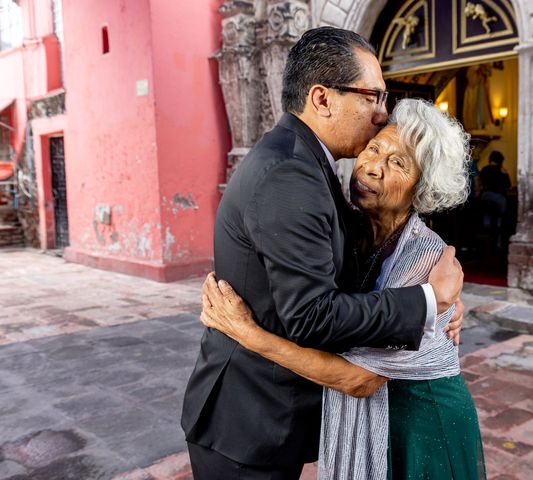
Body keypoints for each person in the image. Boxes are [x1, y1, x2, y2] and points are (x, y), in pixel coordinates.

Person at [181, 27, 464, 480]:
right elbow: (313, 316)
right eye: (372, 97)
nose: (379, 114)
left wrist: (440, 304)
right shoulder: (291, 172)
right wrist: (430, 304)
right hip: (249, 424)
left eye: (397, 161)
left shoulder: (312, 167)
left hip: (311, 419)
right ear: (322, 98)